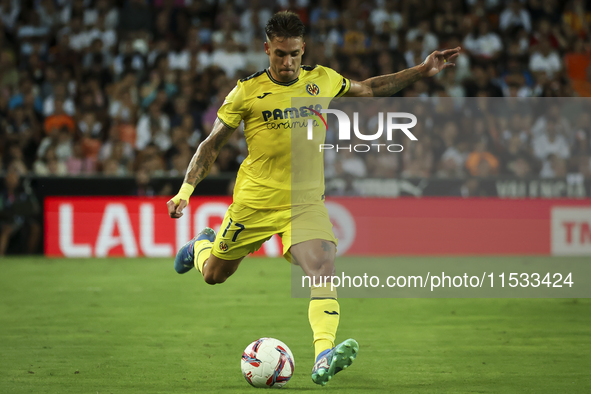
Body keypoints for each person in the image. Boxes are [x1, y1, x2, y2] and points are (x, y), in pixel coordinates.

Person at [166, 11, 459, 386]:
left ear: (303, 49)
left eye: (293, 55)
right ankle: (203, 244)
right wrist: (185, 191)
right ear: (267, 49)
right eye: (279, 55)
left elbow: (369, 89)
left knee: (322, 267)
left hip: (305, 202)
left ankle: (323, 355)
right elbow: (210, 145)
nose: (287, 63)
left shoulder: (322, 79)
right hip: (255, 202)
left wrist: (420, 70)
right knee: (213, 276)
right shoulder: (246, 91)